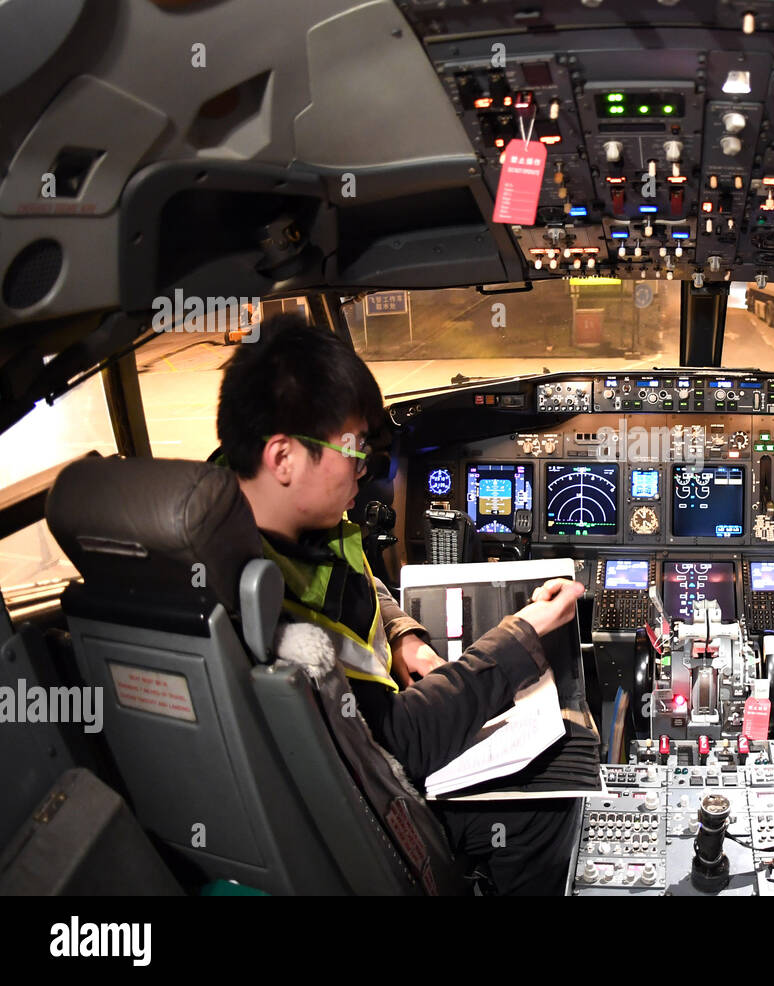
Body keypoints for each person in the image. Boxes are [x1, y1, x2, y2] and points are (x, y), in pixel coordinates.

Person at [216, 313, 583, 894]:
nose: (366, 465)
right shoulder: (258, 607)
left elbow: (361, 580)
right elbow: (398, 740)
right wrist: (522, 633)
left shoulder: (301, 523)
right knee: (549, 812)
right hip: (381, 792)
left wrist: (405, 634)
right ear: (282, 458)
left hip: (383, 728)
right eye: (353, 447)